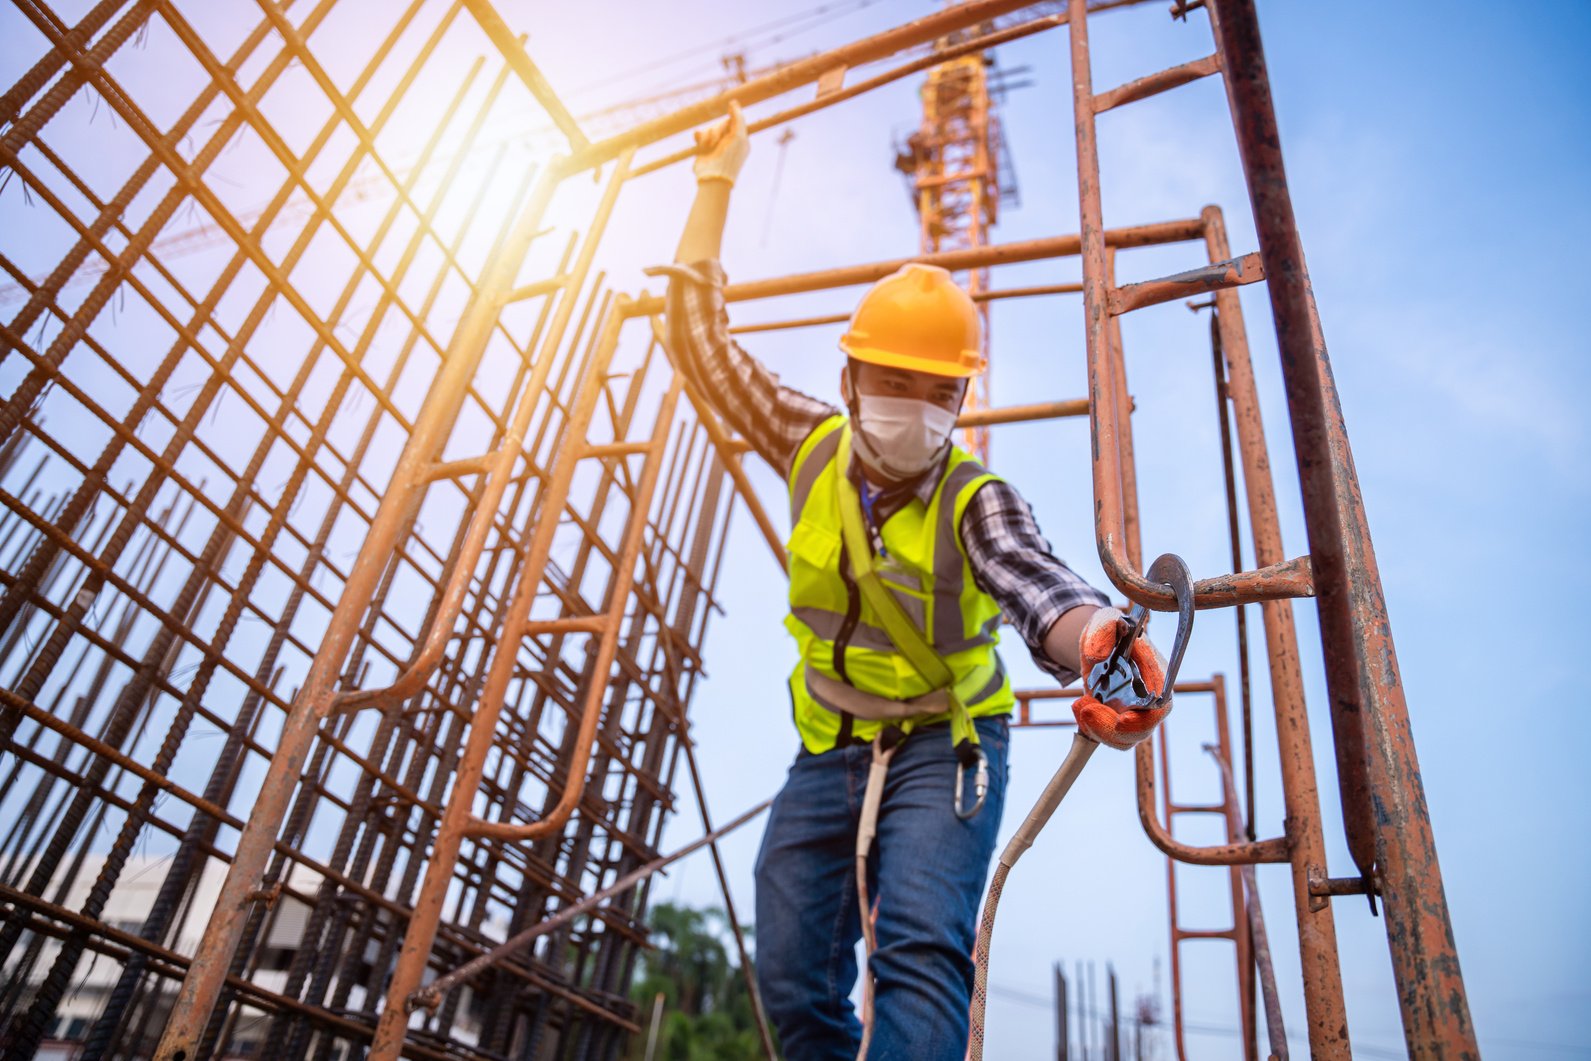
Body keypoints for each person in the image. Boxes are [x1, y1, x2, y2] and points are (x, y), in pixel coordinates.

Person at [652, 102, 1169, 1061]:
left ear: (963, 398)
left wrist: (1098, 637)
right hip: (830, 746)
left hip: (949, 744)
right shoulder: (805, 438)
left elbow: (1038, 584)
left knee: (920, 948)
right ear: (850, 379)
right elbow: (698, 345)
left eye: (942, 392)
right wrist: (715, 182)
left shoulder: (977, 497)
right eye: (896, 381)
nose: (918, 408)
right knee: (793, 974)